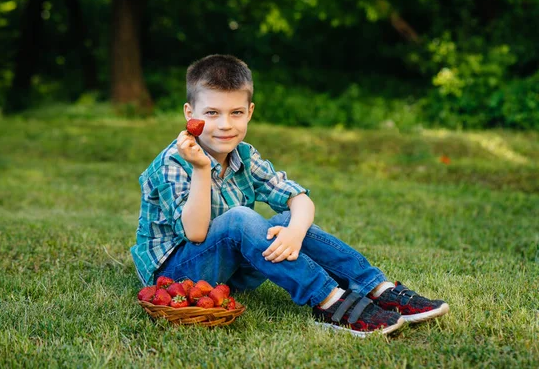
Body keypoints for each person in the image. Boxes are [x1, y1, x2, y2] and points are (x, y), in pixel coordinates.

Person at [129, 54, 449, 336]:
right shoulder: (173, 161)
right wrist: (200, 169)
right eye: (211, 113)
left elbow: (299, 198)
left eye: (236, 113)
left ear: (250, 112)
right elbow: (196, 232)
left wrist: (295, 231)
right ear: (190, 114)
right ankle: (329, 302)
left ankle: (378, 289)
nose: (225, 125)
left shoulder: (244, 154)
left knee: (287, 218)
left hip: (232, 269)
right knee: (240, 219)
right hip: (177, 279)